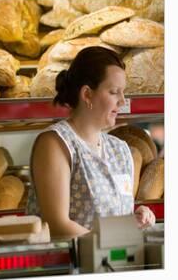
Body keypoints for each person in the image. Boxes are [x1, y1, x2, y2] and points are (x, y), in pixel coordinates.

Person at [26, 46, 155, 238]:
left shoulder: (120, 149)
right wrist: (113, 244)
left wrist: (134, 220)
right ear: (87, 94)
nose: (122, 101)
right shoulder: (55, 144)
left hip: (115, 264)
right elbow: (57, 224)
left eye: (123, 92)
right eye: (114, 92)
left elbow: (110, 220)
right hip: (71, 265)